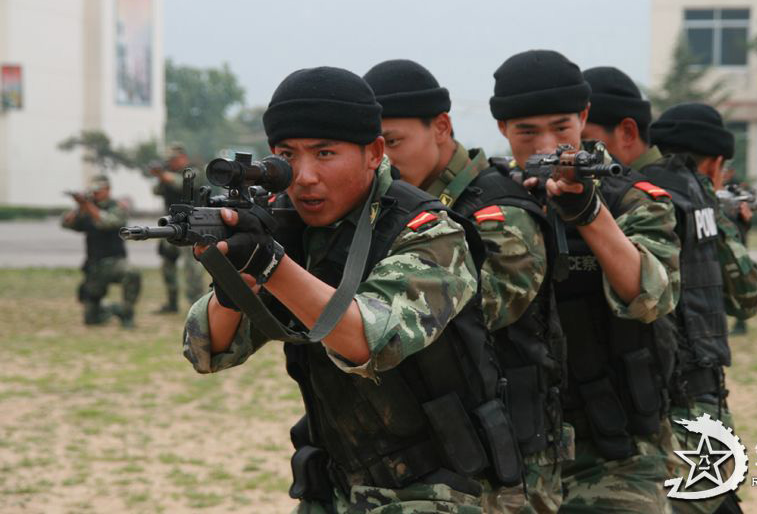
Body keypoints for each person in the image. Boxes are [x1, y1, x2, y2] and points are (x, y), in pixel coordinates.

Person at [182, 66, 523, 513]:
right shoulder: (286, 224)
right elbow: (206, 350)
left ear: (373, 152)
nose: (304, 176)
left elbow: (371, 341)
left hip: (439, 489)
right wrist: (233, 284)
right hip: (338, 482)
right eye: (288, 155)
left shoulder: (428, 231)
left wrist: (269, 264)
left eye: (325, 153)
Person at [365, 58, 569, 513]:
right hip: (430, 451)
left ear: (441, 127)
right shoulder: (391, 212)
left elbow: (486, 305)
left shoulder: (498, 209)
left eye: (392, 142)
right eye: (371, 147)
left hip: (509, 461)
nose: (383, 160)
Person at [490, 50, 681, 514]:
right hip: (517, 452)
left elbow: (653, 297)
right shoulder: (492, 203)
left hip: (617, 450)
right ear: (502, 131)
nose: (547, 145)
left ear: (585, 117)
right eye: (527, 132)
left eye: (562, 128)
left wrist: (588, 214)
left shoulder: (633, 200)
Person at [640, 102, 757, 514]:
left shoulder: (637, 192)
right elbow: (747, 297)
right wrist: (732, 227)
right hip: (690, 391)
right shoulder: (699, 206)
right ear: (717, 162)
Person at [61, 174, 141, 327]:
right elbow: (66, 223)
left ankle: (127, 313)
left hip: (115, 261)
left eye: (99, 190)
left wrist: (88, 206)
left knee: (132, 273)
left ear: (108, 190)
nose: (96, 193)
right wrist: (80, 206)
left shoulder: (116, 207)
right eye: (93, 191)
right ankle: (113, 310)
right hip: (94, 265)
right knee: (91, 319)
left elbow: (108, 222)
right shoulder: (86, 209)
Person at [149, 142, 205, 313]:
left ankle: (196, 305)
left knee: (192, 268)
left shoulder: (194, 171)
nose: (171, 163)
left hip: (191, 225)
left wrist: (163, 175)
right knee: (167, 263)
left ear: (183, 158)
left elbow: (182, 184)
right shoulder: (168, 174)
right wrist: (160, 176)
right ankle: (171, 303)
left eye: (173, 159)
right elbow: (156, 191)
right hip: (171, 224)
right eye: (169, 160)